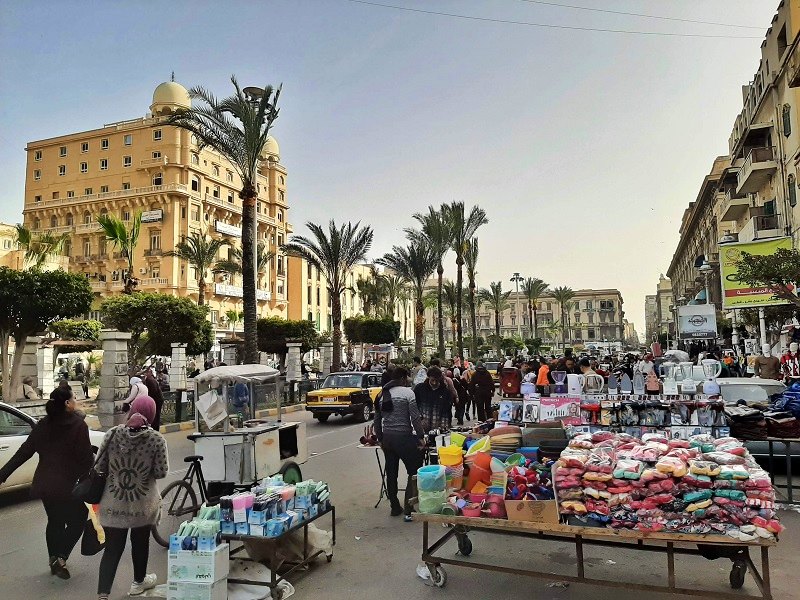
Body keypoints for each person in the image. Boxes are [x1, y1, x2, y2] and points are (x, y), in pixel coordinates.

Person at [0, 387, 93, 580]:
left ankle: (54, 559)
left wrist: (3, 474)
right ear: (67, 403)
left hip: (44, 484)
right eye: (74, 398)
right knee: (79, 518)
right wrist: (90, 481)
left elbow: (24, 452)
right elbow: (86, 460)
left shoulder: (43, 424)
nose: (76, 401)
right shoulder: (78, 426)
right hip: (67, 484)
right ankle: (60, 557)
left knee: (55, 520)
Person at [96, 395, 168, 600]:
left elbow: (100, 466)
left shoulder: (111, 435)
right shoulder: (156, 440)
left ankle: (103, 594)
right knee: (140, 542)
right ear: (152, 414)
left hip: (113, 503)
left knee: (112, 550)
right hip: (143, 505)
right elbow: (162, 471)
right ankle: (138, 582)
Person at [373, 366, 425, 520]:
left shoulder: (382, 394)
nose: (409, 381)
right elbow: (415, 418)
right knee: (414, 470)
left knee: (391, 472)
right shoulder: (408, 393)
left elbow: (377, 420)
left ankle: (394, 506)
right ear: (403, 378)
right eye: (408, 378)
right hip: (404, 437)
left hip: (388, 439)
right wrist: (421, 436)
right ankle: (409, 509)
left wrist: (380, 438)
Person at [414, 366, 452, 431]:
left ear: (440, 378)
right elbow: (414, 405)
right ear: (428, 377)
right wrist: (419, 418)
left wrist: (444, 425)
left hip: (438, 426)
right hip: (422, 425)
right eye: (432, 380)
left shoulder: (445, 391)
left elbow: (447, 410)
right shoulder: (419, 389)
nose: (434, 382)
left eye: (436, 380)